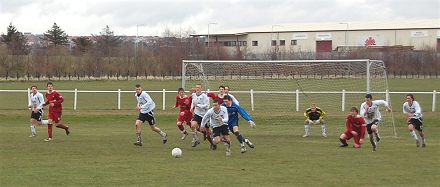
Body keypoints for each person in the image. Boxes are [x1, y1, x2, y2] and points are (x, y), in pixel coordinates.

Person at [189, 83, 216, 149]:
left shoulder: (205, 96)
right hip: (197, 114)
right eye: (196, 87)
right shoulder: (193, 95)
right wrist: (192, 107)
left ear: (201, 89)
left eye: (199, 87)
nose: (197, 89)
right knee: (192, 125)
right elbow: (193, 102)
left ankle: (213, 143)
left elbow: (207, 106)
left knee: (208, 131)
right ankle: (196, 139)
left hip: (205, 115)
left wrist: (198, 105)